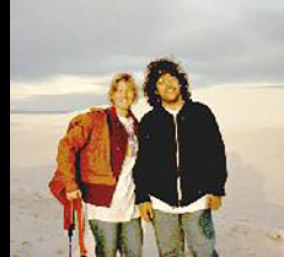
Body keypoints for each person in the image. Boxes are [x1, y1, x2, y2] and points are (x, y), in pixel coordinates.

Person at [133, 58, 227, 257]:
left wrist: (216, 188)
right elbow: (143, 163)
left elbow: (216, 152)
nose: (168, 85)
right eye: (160, 82)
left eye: (171, 78)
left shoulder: (201, 113)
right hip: (161, 203)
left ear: (180, 82)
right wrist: (143, 198)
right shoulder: (150, 121)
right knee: (169, 252)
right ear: (155, 91)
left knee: (203, 250)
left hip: (197, 199)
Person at [54, 73, 143, 257]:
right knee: (106, 252)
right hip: (102, 204)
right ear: (112, 94)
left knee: (134, 252)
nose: (124, 95)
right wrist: (71, 184)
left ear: (134, 95)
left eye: (129, 90)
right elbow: (66, 146)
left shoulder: (136, 125)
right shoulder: (95, 119)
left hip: (130, 204)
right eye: (119, 90)